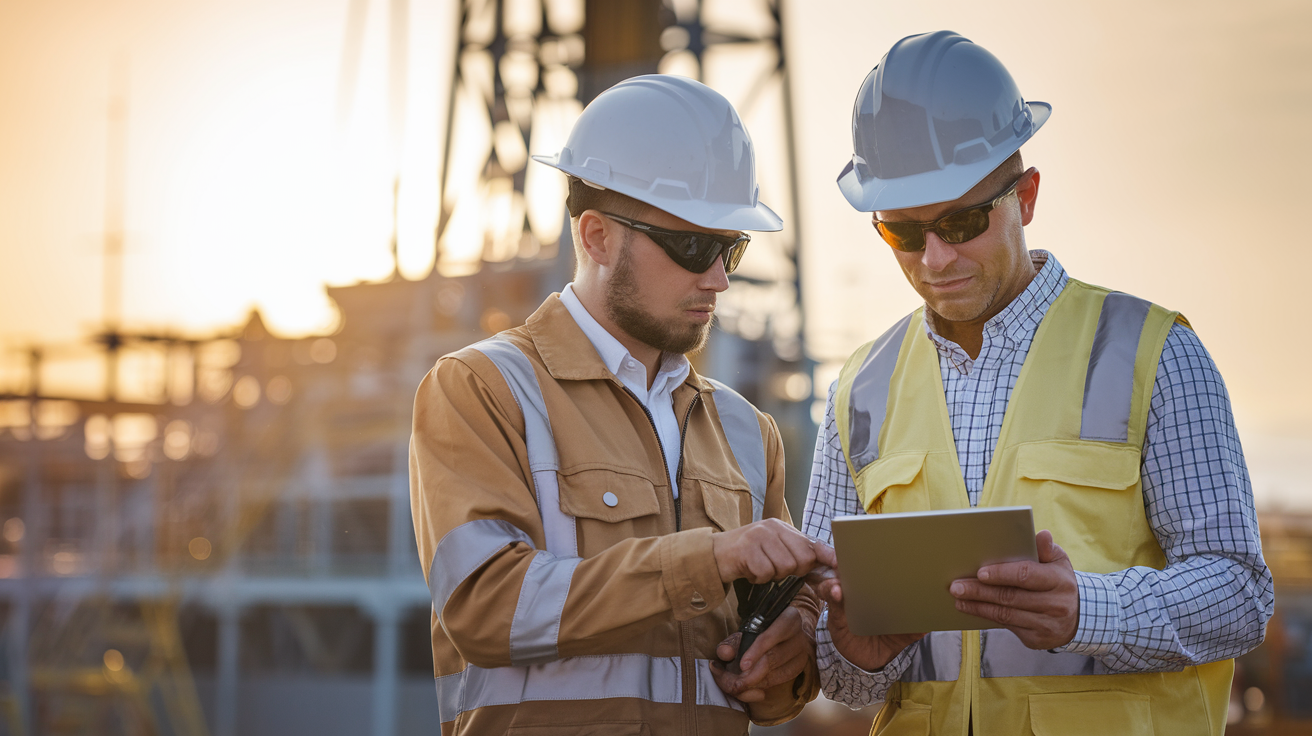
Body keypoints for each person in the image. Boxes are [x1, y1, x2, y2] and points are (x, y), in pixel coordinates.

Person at [803, 31, 1274, 735]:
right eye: (903, 233)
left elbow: (1240, 593)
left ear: (1026, 196)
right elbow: (836, 668)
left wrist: (1091, 611)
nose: (935, 259)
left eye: (962, 221)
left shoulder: (1154, 353)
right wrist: (852, 652)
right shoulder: (859, 392)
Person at [410, 74, 831, 735]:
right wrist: (711, 558)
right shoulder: (482, 389)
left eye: (731, 248)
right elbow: (486, 610)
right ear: (598, 237)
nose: (718, 278)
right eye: (693, 246)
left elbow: (777, 657)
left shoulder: (749, 432)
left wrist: (793, 655)